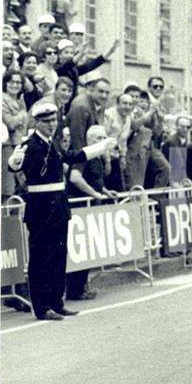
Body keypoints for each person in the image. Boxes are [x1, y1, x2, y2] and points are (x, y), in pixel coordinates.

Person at [6, 100, 116, 320]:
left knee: (58, 257)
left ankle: (57, 302)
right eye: (46, 122)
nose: (51, 125)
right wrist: (14, 161)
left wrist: (100, 148)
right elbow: (15, 165)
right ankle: (42, 306)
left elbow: (72, 156)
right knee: (41, 259)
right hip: (40, 206)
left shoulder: (53, 144)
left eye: (54, 120)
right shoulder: (30, 145)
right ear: (37, 122)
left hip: (58, 206)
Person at [65, 124, 120, 301]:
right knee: (80, 247)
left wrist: (103, 190)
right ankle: (75, 290)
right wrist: (94, 194)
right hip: (79, 206)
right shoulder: (84, 155)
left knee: (87, 248)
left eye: (104, 138)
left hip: (89, 206)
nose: (102, 142)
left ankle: (80, 288)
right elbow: (75, 177)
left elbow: (94, 179)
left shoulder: (97, 157)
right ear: (89, 140)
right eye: (98, 138)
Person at [1, 70, 29, 200]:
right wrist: (22, 113)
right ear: (5, 83)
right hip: (8, 147)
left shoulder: (19, 100)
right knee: (8, 188)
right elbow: (11, 123)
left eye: (18, 82)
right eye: (12, 82)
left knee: (21, 187)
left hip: (20, 146)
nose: (15, 85)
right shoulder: (1, 99)